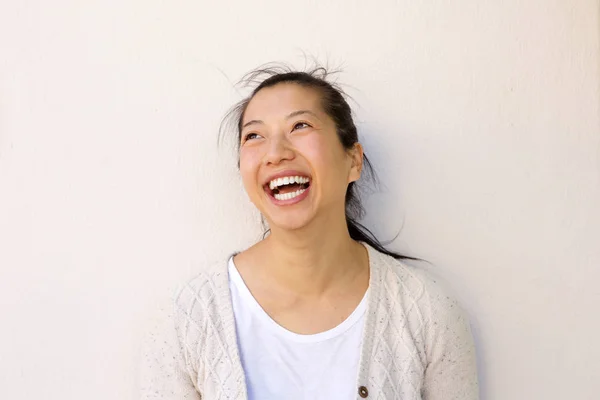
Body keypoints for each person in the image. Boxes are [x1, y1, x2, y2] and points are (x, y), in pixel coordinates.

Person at [140, 65, 479, 399]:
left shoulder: (428, 313)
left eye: (300, 125)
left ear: (353, 161)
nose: (275, 153)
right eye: (254, 135)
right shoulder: (187, 319)